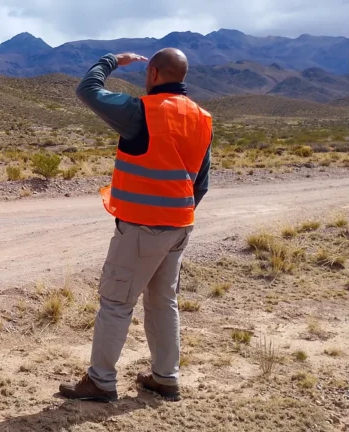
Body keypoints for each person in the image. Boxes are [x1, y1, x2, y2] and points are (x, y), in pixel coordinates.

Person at [58, 48, 213, 403]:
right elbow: (201, 183)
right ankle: (165, 378)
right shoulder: (202, 117)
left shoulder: (142, 111)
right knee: (163, 302)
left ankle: (100, 382)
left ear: (154, 73)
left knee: (116, 301)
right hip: (179, 226)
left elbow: (87, 90)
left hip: (142, 227)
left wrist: (112, 60)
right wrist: (177, 215)